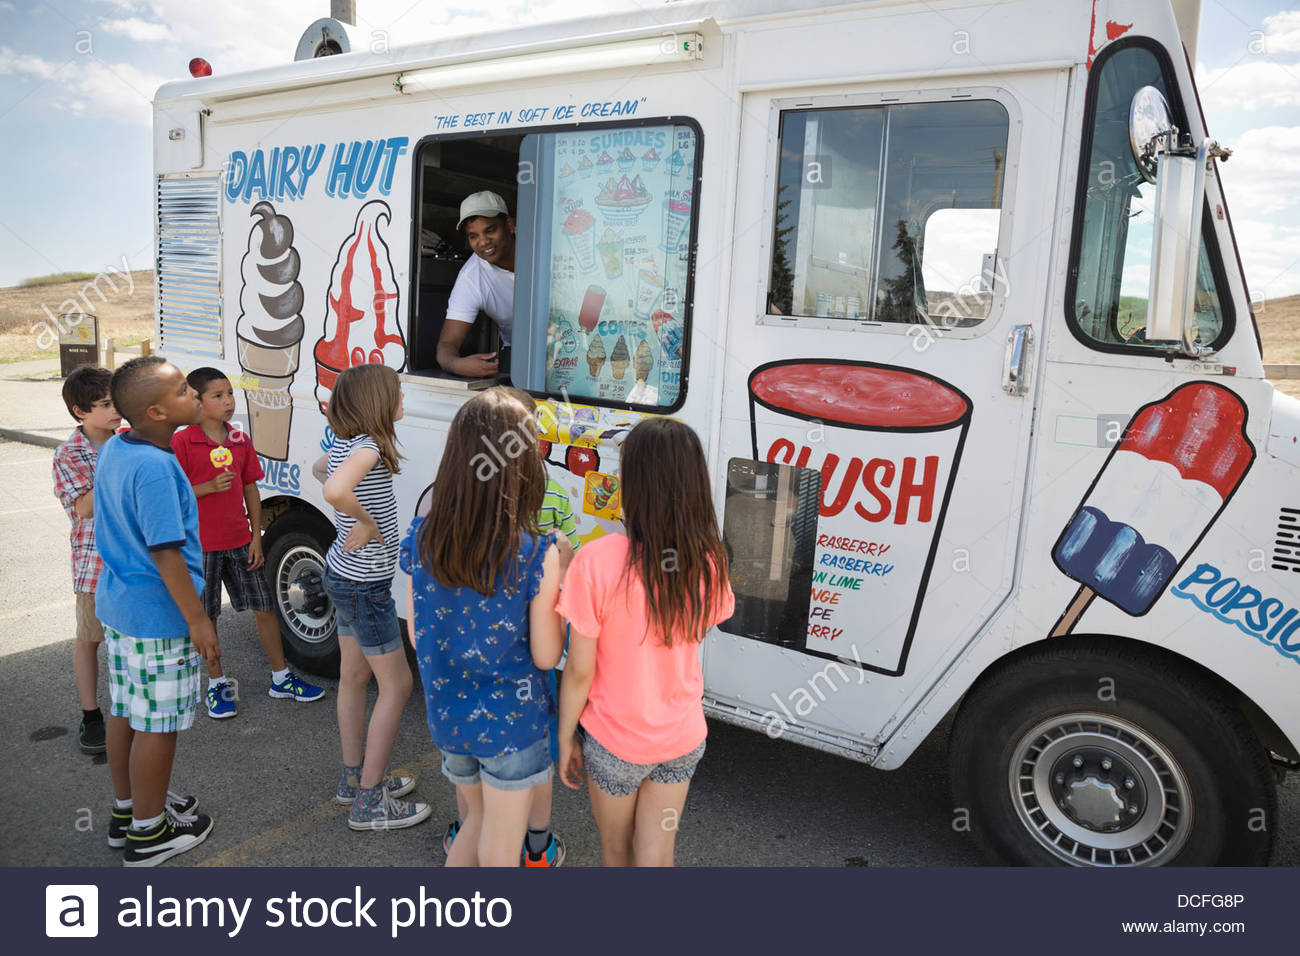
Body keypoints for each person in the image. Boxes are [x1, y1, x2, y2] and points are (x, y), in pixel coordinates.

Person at [556, 417, 735, 866]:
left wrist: (564, 739)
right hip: (681, 738)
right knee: (656, 856)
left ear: (632, 485)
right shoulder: (709, 559)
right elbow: (700, 629)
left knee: (616, 853)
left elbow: (580, 670)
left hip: (615, 742)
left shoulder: (596, 561)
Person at [401, 387, 565, 866]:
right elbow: (546, 656)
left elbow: (417, 635)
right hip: (512, 726)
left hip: (448, 715)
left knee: (474, 823)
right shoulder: (538, 553)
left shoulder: (423, 539)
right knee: (500, 839)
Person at [94, 356, 217, 866]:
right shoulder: (156, 468)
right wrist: (198, 619)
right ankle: (149, 833)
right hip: (160, 618)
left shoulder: (117, 448)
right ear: (156, 412)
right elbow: (166, 551)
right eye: (184, 390)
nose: (193, 393)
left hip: (121, 608)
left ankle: (129, 810)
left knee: (126, 709)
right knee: (158, 725)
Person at [313, 363, 430, 830]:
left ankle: (353, 779)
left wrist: (355, 513)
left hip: (342, 575)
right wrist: (364, 521)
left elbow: (322, 467)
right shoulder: (365, 446)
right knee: (398, 685)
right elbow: (334, 486)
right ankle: (370, 801)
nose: (402, 400)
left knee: (354, 677)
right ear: (376, 403)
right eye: (397, 393)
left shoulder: (347, 442)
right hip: (363, 585)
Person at [171, 367, 324, 719]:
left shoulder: (239, 439)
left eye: (230, 394)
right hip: (201, 548)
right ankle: (217, 684)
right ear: (196, 399)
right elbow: (173, 496)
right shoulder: (182, 442)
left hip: (240, 541)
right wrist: (208, 488)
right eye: (218, 396)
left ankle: (281, 678)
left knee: (265, 607)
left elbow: (250, 487)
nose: (228, 401)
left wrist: (257, 536)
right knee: (207, 616)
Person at [52, 366, 120, 754]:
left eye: (116, 402)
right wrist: (115, 460)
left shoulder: (128, 440)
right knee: (90, 640)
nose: (116, 411)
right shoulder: (69, 454)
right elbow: (85, 507)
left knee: (129, 641)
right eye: (106, 404)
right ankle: (91, 714)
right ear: (80, 411)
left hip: (134, 562)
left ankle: (130, 712)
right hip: (95, 566)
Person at [436, 190, 515, 379]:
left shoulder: (542, 244)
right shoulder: (471, 277)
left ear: (509, 225)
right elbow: (446, 345)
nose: (483, 242)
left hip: (573, 340)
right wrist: (457, 364)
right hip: (522, 354)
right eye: (473, 236)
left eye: (490, 230)